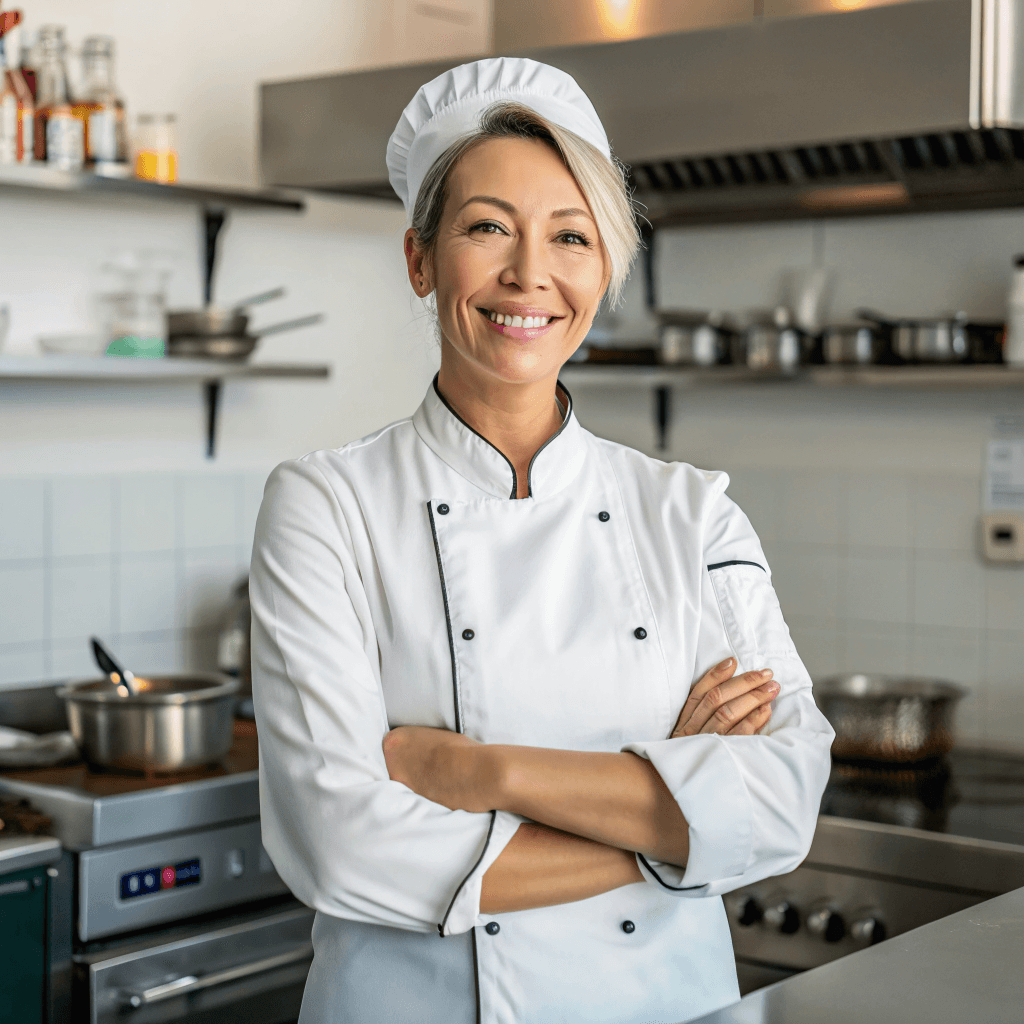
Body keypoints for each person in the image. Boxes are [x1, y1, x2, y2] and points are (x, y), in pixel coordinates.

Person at [250, 57, 835, 1024]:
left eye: (571, 235)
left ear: (602, 271)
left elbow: (781, 803)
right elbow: (340, 846)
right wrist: (677, 825)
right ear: (420, 259)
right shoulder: (326, 506)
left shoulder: (691, 513)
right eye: (488, 227)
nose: (530, 274)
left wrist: (487, 773)